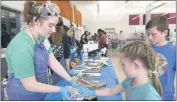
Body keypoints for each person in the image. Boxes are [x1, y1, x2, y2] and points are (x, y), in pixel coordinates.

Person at [5, 1, 83, 100]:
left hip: (41, 91)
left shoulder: (42, 38)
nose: (54, 30)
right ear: (35, 21)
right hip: (24, 95)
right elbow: (30, 85)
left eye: (55, 25)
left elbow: (52, 61)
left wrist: (70, 80)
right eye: (50, 25)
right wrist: (61, 89)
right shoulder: (21, 46)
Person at [77, 41, 162, 100]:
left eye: (123, 64)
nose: (121, 67)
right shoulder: (130, 80)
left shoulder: (150, 96)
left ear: (136, 65)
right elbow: (111, 91)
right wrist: (91, 92)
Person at [146, 16, 176, 100]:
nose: (149, 37)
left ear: (165, 33)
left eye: (153, 34)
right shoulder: (145, 48)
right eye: (148, 34)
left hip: (165, 96)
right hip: (147, 93)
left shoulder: (173, 51)